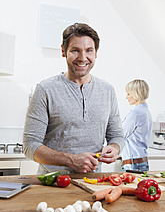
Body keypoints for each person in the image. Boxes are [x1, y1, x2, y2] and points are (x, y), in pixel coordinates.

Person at [23, 23, 124, 174]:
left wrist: (115, 148)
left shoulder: (107, 90)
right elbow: (30, 145)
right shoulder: (45, 89)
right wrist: (71, 160)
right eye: (75, 50)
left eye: (89, 50)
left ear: (96, 53)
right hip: (53, 184)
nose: (83, 58)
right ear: (63, 51)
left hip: (94, 183)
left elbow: (116, 135)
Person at [121, 79, 152, 171]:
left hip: (133, 164)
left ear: (136, 94)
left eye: (128, 94)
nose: (126, 97)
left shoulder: (136, 113)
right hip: (141, 161)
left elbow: (121, 135)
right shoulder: (146, 112)